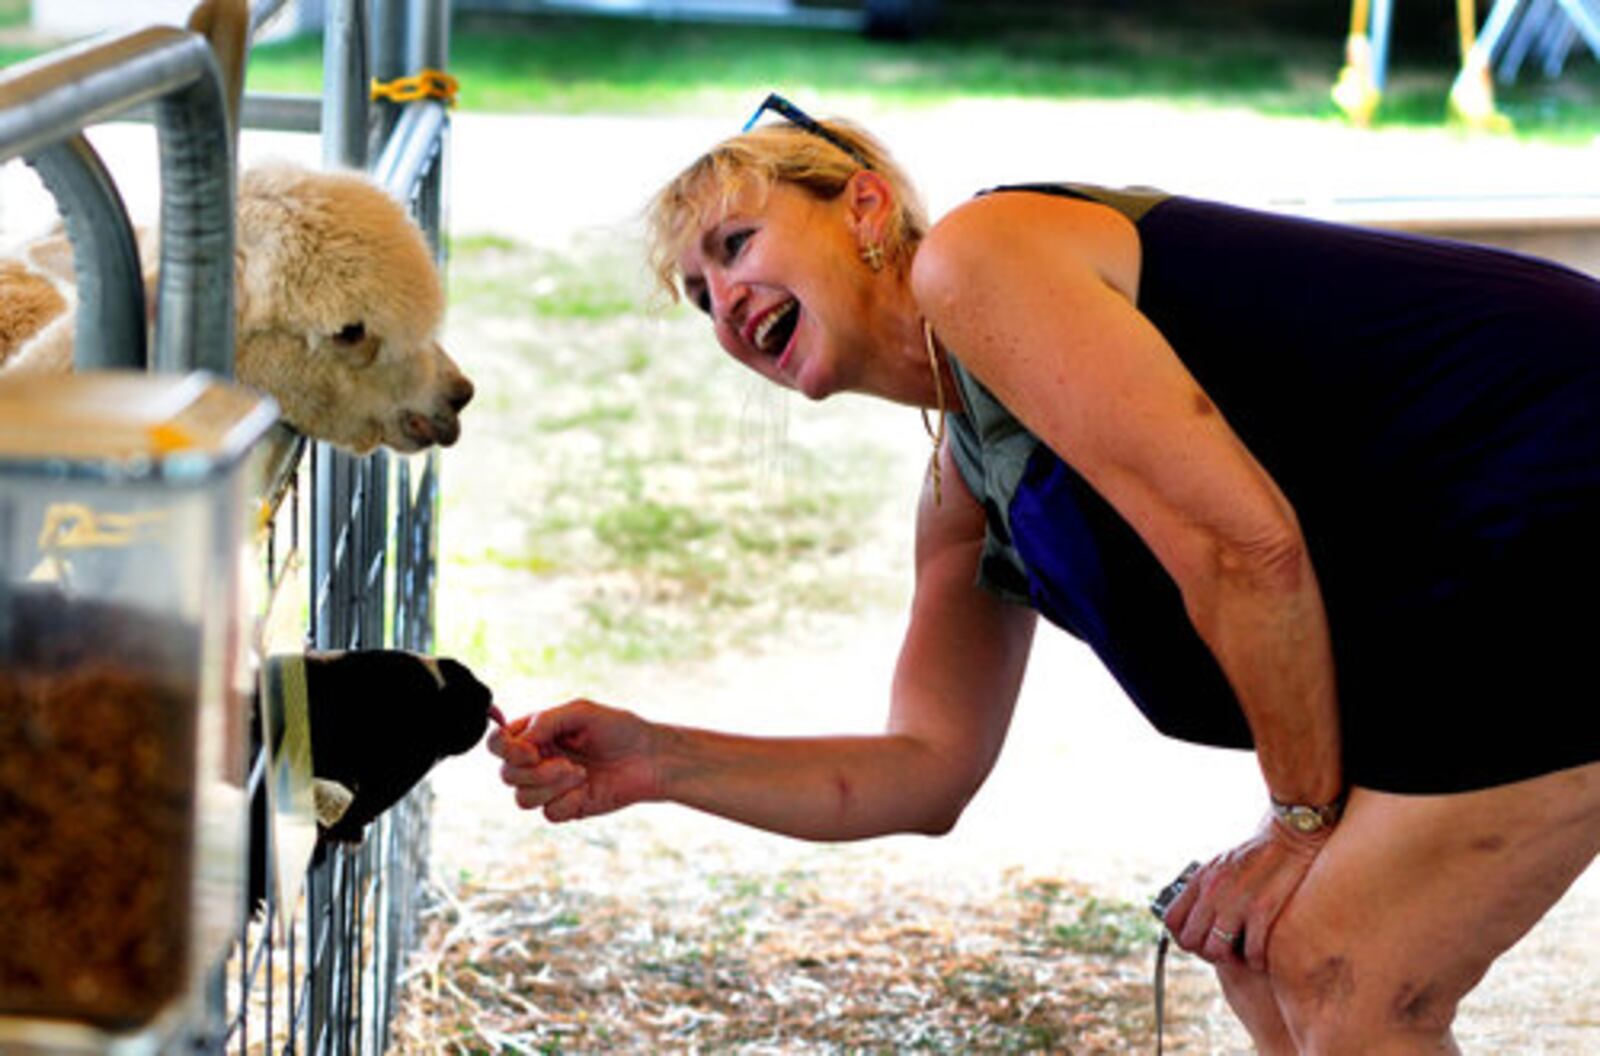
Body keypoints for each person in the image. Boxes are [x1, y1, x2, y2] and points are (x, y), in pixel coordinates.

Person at [489, 92, 1600, 1052]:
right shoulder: (961, 488)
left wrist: (1296, 823)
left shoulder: (981, 259)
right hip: (1474, 560)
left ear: (865, 205)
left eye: (734, 245)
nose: (724, 304)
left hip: (1555, 473)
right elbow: (925, 769)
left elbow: (1241, 547)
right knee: (1264, 954)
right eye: (696, 296)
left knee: (1335, 961)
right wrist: (661, 759)